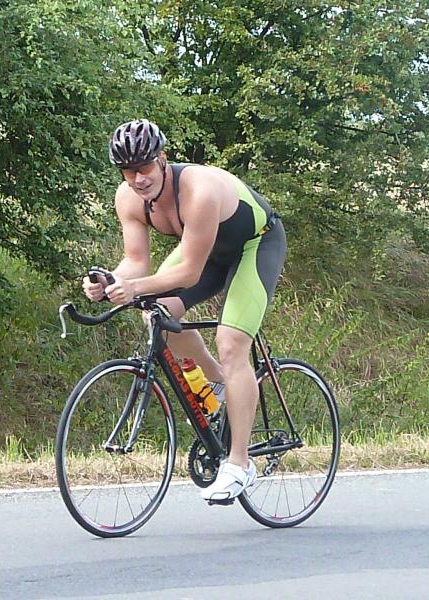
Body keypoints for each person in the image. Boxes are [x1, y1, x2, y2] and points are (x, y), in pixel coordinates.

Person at [82, 119, 286, 502]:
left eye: (145, 166)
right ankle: (219, 383)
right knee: (156, 314)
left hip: (255, 247)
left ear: (162, 158)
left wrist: (134, 287)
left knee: (231, 343)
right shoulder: (128, 198)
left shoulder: (199, 190)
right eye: (128, 170)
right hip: (209, 254)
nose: (138, 178)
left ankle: (239, 464)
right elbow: (135, 262)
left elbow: (189, 272)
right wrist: (109, 281)